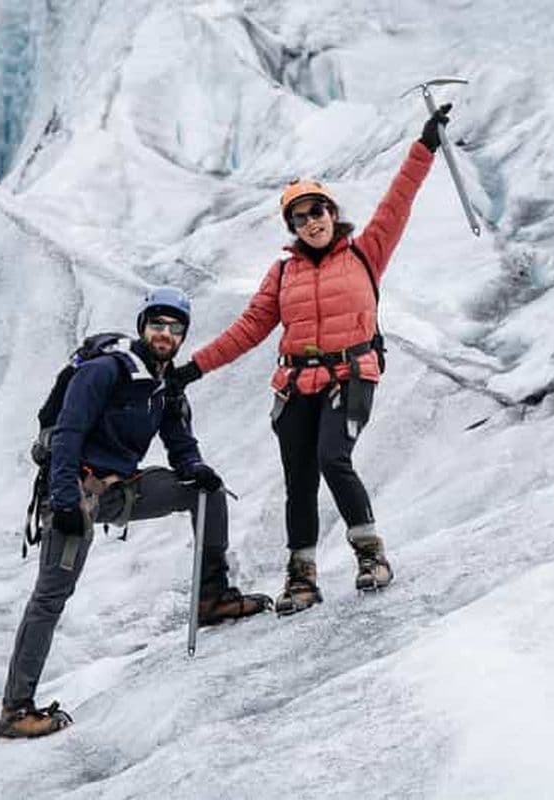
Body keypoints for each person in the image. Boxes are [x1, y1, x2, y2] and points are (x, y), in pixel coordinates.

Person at [170, 105, 453, 616]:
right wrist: (194, 368)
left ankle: (370, 554)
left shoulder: (366, 252)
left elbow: (399, 200)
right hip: (296, 384)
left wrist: (425, 145)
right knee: (299, 477)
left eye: (317, 211)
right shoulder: (282, 275)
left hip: (352, 374)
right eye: (300, 217)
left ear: (331, 212)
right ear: (292, 226)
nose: (311, 221)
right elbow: (250, 328)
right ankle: (301, 577)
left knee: (331, 457)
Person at [0, 286, 272, 739]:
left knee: (207, 493)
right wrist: (64, 501)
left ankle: (210, 597)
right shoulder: (108, 370)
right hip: (75, 492)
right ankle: (14, 709)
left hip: (120, 489)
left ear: (183, 335)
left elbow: (179, 440)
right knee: (51, 596)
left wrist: (195, 468)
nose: (165, 334)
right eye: (157, 325)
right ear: (143, 326)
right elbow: (67, 433)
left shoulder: (164, 384)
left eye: (175, 327)